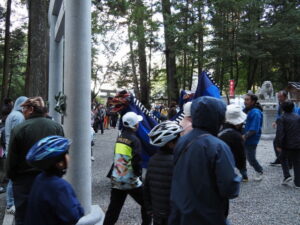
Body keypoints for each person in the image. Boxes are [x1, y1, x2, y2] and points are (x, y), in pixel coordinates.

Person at [169, 96, 241, 225]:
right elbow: (229, 188)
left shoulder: (182, 140)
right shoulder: (218, 146)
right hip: (207, 215)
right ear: (218, 117)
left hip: (180, 211)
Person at [5, 96, 64, 225]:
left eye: (24, 109)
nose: (23, 112)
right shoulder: (56, 127)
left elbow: (11, 161)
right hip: (50, 180)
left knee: (24, 218)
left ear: (31, 109)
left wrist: (12, 177)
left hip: (24, 183)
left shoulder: (20, 129)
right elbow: (62, 158)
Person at [103, 112, 151, 225]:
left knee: (113, 210)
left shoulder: (120, 138)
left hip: (117, 179)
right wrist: (138, 175)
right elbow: (136, 161)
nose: (139, 124)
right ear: (134, 125)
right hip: (130, 180)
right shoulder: (135, 140)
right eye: (137, 123)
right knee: (148, 204)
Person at [25, 135, 84, 225]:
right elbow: (73, 216)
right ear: (59, 163)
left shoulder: (39, 179)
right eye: (66, 154)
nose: (69, 157)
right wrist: (80, 209)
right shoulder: (59, 186)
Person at [144, 121, 183, 225]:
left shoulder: (152, 160)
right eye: (178, 138)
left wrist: (149, 209)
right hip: (173, 214)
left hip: (157, 214)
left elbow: (146, 187)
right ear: (170, 144)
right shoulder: (177, 161)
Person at [4, 96, 28, 214]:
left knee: (13, 177)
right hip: (15, 151)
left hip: (11, 150)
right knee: (13, 179)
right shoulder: (18, 116)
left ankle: (11, 203)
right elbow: (18, 135)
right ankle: (10, 203)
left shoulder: (12, 115)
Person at [218, 104, 248, 181]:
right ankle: (244, 176)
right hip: (229, 163)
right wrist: (242, 166)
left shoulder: (219, 128)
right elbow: (240, 154)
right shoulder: (236, 136)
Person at [275, 101, 300, 188]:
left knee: (282, 157)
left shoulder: (281, 118)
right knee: (297, 162)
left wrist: (278, 144)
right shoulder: (298, 117)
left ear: (282, 108)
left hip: (287, 144)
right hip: (297, 143)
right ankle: (298, 183)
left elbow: (280, 133)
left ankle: (287, 175)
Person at [270, 90, 296, 166]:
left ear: (285, 97)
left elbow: (292, 115)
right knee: (276, 142)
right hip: (281, 125)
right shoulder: (280, 104)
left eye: (280, 97)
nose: (278, 98)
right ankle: (280, 159)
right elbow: (278, 114)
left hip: (288, 126)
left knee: (286, 143)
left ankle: (288, 161)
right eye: (278, 97)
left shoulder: (290, 104)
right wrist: (276, 121)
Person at [243, 93, 264, 181]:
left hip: (251, 138)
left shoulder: (256, 112)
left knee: (251, 158)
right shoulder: (246, 110)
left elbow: (254, 129)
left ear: (253, 101)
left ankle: (259, 171)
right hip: (243, 137)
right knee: (242, 156)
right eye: (245, 100)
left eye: (247, 100)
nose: (245, 102)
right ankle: (243, 175)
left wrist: (244, 136)